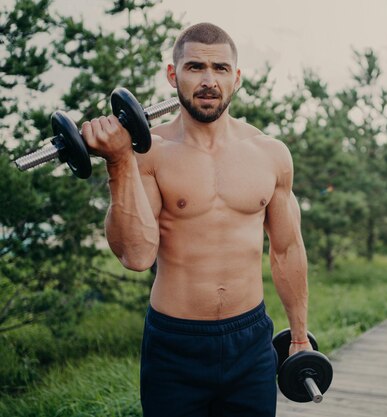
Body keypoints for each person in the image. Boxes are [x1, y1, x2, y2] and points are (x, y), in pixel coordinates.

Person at [80, 22, 311, 417]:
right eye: (195, 68)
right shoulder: (149, 155)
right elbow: (136, 255)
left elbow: (287, 251)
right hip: (175, 345)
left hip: (250, 340)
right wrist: (119, 161)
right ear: (173, 75)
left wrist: (300, 338)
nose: (209, 80)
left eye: (220, 68)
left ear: (236, 78)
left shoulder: (270, 154)